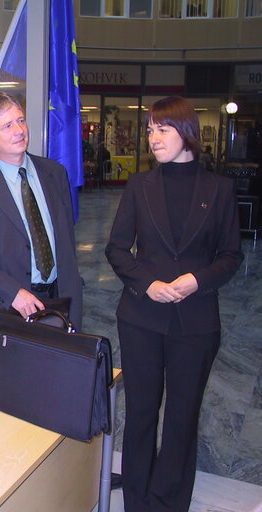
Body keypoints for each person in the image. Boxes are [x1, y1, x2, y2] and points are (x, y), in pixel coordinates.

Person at [105, 96, 243, 512]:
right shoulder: (140, 185)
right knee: (142, 412)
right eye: (149, 130)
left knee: (183, 415)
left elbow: (231, 256)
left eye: (160, 129)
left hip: (196, 321)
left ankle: (168, 501)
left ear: (187, 133)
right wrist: (147, 283)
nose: (152, 137)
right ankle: (137, 497)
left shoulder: (219, 189)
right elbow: (116, 249)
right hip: (141, 317)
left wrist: (195, 280)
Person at [0, 92, 83, 327]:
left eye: (20, 120)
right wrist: (12, 292)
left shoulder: (55, 173)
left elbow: (66, 240)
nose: (19, 130)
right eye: (7, 125)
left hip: (58, 300)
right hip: (3, 307)